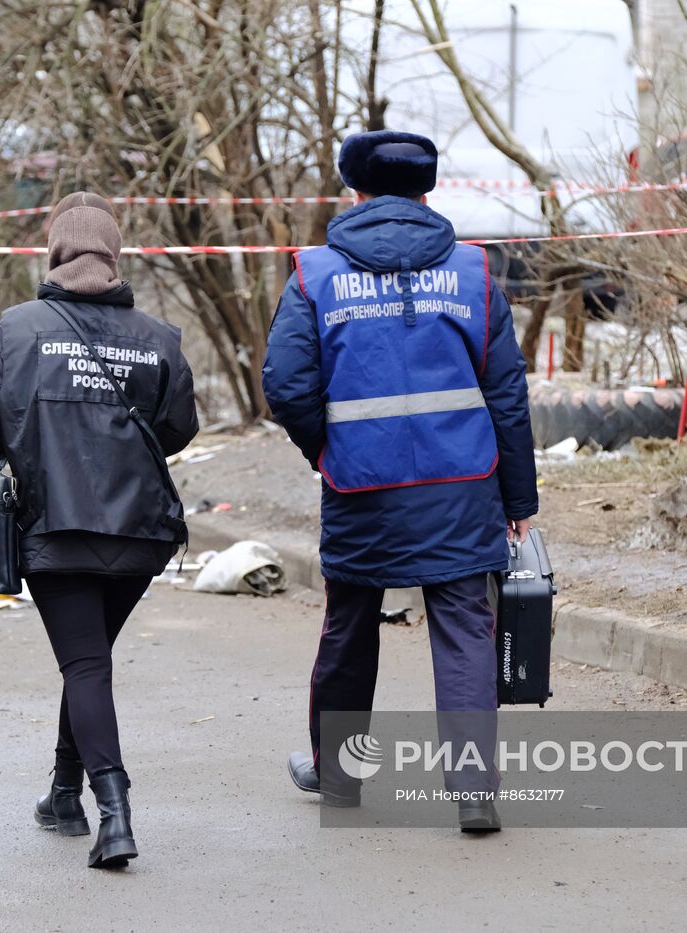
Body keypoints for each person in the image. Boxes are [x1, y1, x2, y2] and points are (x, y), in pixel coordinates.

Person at [262, 131, 538, 832]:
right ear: (428, 191)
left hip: (362, 488)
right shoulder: (474, 274)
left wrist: (329, 448)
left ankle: (339, 777)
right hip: (462, 486)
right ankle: (475, 789)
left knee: (350, 626)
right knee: (466, 626)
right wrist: (518, 500)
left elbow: (287, 385)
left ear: (354, 192)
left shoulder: (316, 274)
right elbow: (506, 394)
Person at [0, 191, 198, 868]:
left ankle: (114, 813)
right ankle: (63, 794)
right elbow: (180, 427)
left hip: (55, 524)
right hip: (141, 531)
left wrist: (34, 437)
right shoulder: (159, 337)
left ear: (56, 253)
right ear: (115, 255)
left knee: (86, 663)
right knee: (88, 659)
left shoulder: (18, 327)